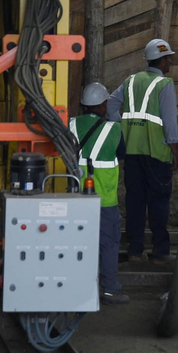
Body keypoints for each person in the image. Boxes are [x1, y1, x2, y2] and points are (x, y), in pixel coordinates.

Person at [107, 38, 178, 263]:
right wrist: (175, 150)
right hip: (157, 153)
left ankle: (135, 251)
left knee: (135, 202)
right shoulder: (164, 84)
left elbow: (110, 105)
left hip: (131, 152)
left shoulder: (130, 81)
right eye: (169, 58)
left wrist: (122, 126)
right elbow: (170, 123)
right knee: (158, 202)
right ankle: (160, 253)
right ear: (162, 61)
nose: (170, 62)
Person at [72, 81, 129, 304]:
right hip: (104, 198)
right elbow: (121, 153)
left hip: (76, 197)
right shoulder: (113, 129)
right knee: (108, 243)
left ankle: (78, 286)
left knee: (77, 241)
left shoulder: (71, 125)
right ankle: (109, 289)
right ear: (104, 105)